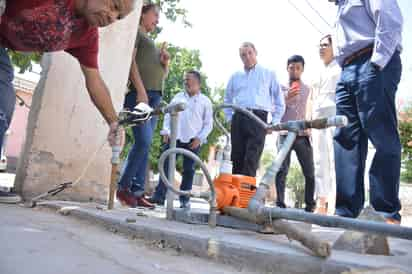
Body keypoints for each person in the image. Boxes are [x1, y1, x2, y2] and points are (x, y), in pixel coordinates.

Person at [0, 0, 137, 204]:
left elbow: (95, 80)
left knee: (3, 103)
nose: (112, 17)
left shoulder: (86, 36)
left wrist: (113, 122)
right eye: (114, 5)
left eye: (119, 16)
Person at [331, 0, 403, 224]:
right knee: (345, 139)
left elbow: (390, 19)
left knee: (381, 134)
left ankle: (384, 212)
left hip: (371, 61)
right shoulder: (340, 6)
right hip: (347, 70)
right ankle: (346, 212)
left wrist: (377, 61)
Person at [117, 3, 170, 208]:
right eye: (154, 15)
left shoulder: (151, 41)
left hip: (154, 96)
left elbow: (162, 76)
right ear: (142, 14)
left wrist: (164, 64)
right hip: (141, 95)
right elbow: (130, 61)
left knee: (144, 145)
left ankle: (136, 192)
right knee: (144, 141)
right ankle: (123, 188)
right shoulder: (136, 34)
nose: (157, 20)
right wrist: (139, 90)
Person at [149, 70, 213, 209]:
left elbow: (208, 124)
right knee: (166, 165)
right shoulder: (178, 96)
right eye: (184, 79)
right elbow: (167, 115)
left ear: (197, 82)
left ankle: (184, 199)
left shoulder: (205, 101)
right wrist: (166, 131)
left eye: (188, 79)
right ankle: (159, 196)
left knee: (189, 170)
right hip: (175, 138)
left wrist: (200, 139)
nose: (185, 82)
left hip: (193, 140)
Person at [224, 42, 285, 177]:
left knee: (251, 160)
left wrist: (274, 122)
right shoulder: (235, 76)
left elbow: (279, 101)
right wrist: (230, 119)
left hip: (258, 119)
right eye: (243, 55)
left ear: (256, 52)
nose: (247, 57)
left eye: (250, 53)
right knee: (236, 159)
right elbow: (227, 99)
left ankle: (247, 197)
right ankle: (236, 196)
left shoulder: (268, 74)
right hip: (238, 118)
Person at [275, 55, 316, 212]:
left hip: (302, 135)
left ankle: (310, 205)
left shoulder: (308, 89)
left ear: (302, 69)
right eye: (291, 67)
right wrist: (285, 98)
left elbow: (311, 108)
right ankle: (280, 202)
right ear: (287, 68)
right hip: (285, 133)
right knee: (281, 169)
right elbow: (276, 109)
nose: (294, 70)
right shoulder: (279, 88)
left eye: (298, 67)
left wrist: (310, 127)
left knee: (309, 171)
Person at [310, 35, 341, 214]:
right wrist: (308, 120)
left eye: (325, 45)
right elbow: (311, 97)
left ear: (333, 47)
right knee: (319, 159)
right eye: (319, 45)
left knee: (333, 157)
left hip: (334, 112)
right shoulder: (317, 70)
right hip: (317, 115)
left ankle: (335, 202)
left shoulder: (340, 67)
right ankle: (321, 201)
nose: (321, 48)